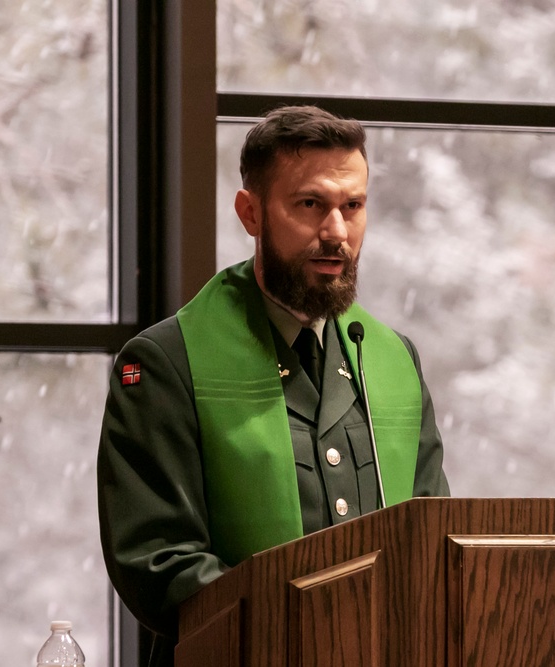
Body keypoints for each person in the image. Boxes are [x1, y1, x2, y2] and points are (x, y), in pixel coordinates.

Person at [96, 105, 450, 667]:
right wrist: (307, 628)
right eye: (310, 205)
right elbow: (158, 562)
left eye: (352, 207)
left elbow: (435, 540)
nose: (336, 232)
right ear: (251, 212)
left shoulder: (392, 360)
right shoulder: (167, 363)